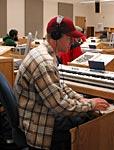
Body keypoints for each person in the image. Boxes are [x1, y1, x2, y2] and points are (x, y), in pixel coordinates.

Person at [14, 15, 109, 150]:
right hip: (40, 128)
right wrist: (91, 105)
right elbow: (59, 106)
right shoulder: (44, 62)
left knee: (85, 113)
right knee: (91, 120)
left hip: (39, 115)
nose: (73, 41)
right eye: (69, 37)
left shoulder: (45, 54)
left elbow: (59, 86)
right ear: (56, 36)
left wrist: (80, 99)